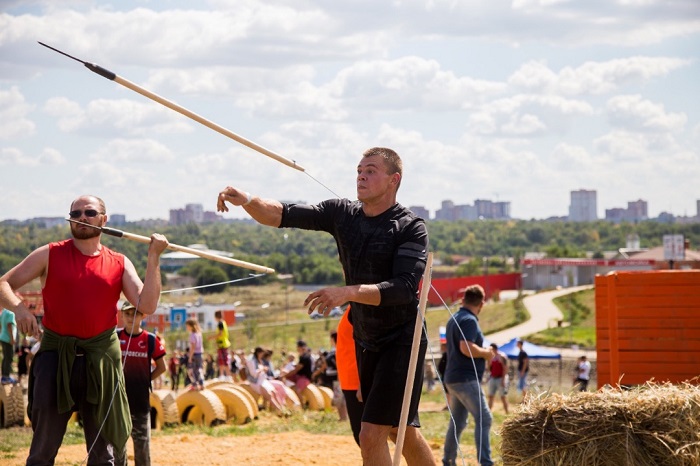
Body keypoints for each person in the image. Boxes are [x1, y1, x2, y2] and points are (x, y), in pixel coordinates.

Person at [217, 147, 433, 466]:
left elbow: (402, 289)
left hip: (402, 340)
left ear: (393, 180)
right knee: (397, 431)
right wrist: (248, 199)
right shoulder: (342, 214)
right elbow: (282, 213)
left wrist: (346, 292)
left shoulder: (410, 227)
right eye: (359, 169)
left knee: (372, 433)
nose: (361, 174)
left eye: (371, 170)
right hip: (366, 339)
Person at [0, 194, 168, 465]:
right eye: (75, 214)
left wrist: (153, 257)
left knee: (104, 455)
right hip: (56, 357)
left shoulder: (120, 262)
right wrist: (19, 309)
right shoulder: (50, 253)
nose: (81, 218)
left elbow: (146, 304)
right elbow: (3, 284)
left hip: (101, 359)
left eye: (89, 212)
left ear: (104, 219)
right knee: (42, 450)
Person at [442, 285, 494, 466]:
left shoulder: (455, 318)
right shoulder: (469, 320)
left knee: (457, 422)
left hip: (453, 378)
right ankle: (486, 462)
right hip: (465, 379)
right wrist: (487, 353)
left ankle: (448, 460)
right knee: (484, 418)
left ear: (464, 299)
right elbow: (466, 347)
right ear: (482, 303)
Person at [115, 301, 167, 466]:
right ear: (121, 315)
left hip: (140, 402)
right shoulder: (114, 337)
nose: (131, 317)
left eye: (135, 313)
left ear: (142, 316)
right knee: (117, 447)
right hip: (117, 402)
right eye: (127, 314)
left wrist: (145, 379)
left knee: (142, 447)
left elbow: (162, 367)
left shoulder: (150, 340)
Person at [335, 308, 362, 445]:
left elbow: (370, 345)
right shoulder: (352, 307)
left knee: (366, 437)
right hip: (350, 382)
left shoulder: (360, 307)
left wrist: (363, 382)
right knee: (363, 437)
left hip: (357, 382)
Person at [486, 343, 509, 414]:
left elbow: (505, 368)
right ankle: (489, 412)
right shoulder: (491, 357)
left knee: (503, 396)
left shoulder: (501, 356)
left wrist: (503, 380)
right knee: (490, 396)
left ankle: (507, 412)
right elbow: (489, 368)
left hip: (500, 378)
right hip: (493, 377)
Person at [210, 310, 232, 381]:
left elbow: (220, 334)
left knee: (223, 361)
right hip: (223, 344)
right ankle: (225, 375)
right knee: (223, 361)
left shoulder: (220, 324)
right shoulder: (223, 322)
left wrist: (212, 337)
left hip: (222, 344)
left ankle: (225, 375)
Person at [186, 319, 205, 390]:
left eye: (187, 326)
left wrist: (190, 357)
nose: (187, 327)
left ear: (191, 326)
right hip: (200, 354)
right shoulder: (199, 334)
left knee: (191, 370)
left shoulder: (192, 335)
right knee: (199, 369)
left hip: (194, 355)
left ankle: (195, 385)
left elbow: (193, 347)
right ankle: (202, 383)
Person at [1, 307, 17, 384]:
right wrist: (12, 338)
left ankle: (4, 376)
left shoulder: (4, 312)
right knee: (9, 357)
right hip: (7, 339)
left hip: (3, 337)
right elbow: (9, 325)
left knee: (5, 357)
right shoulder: (11, 313)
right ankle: (6, 377)